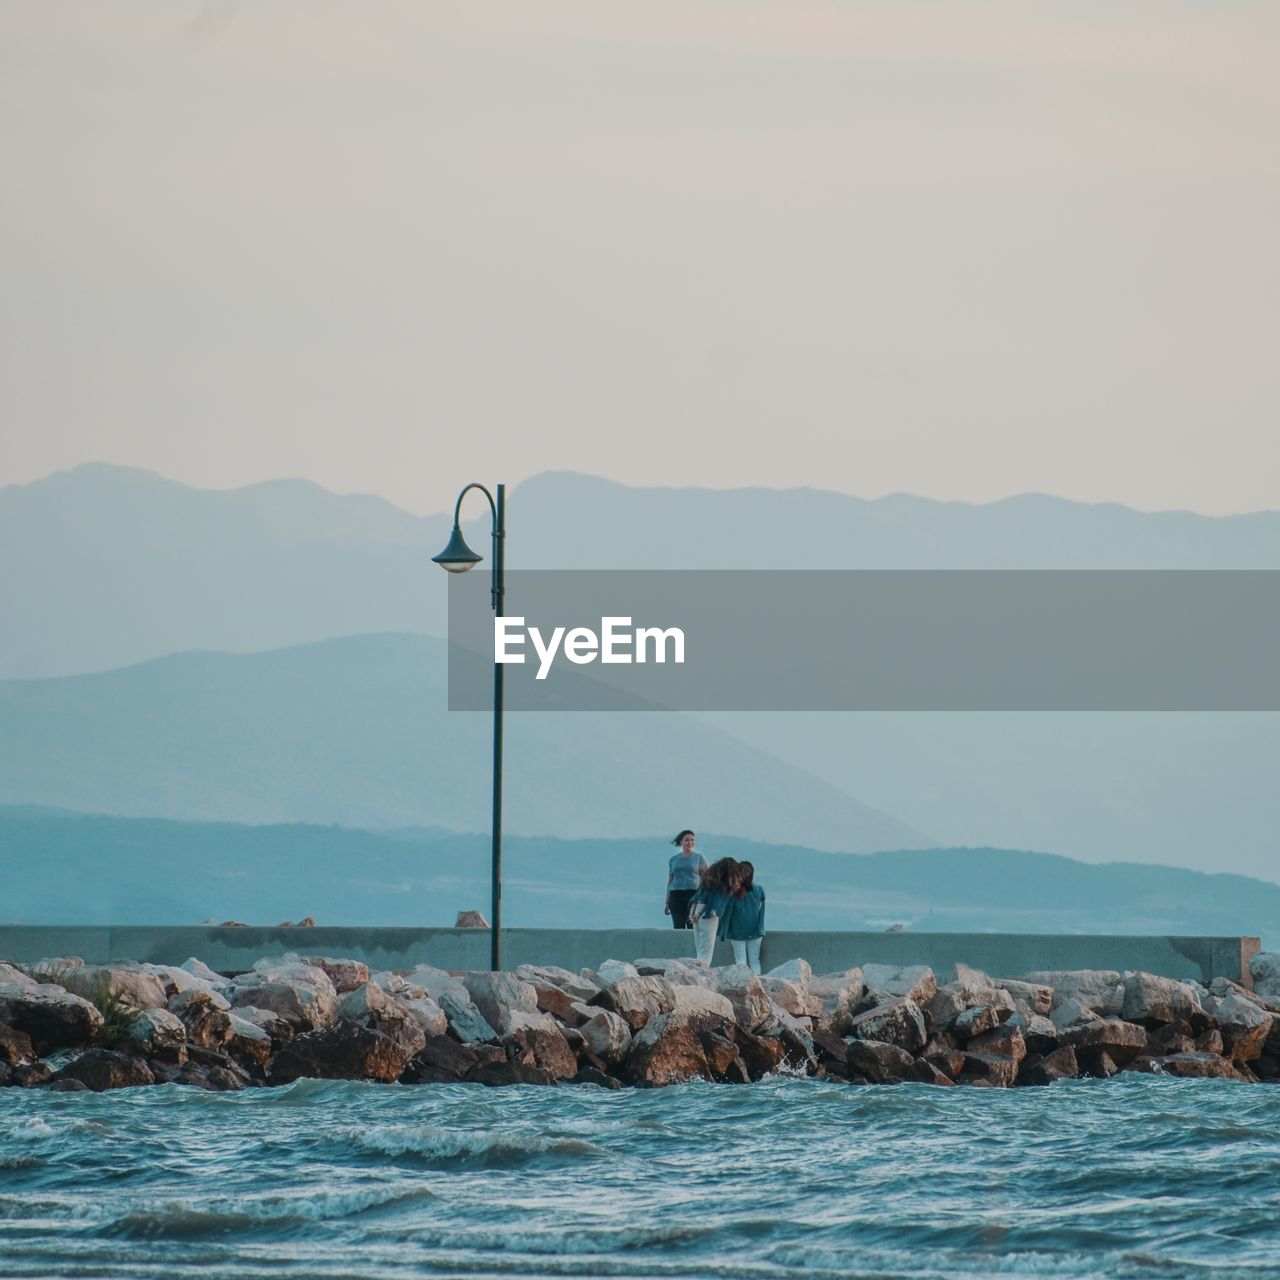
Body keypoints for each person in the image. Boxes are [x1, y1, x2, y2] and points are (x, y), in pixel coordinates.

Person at [689, 856, 738, 965]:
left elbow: (696, 897)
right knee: (706, 948)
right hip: (708, 915)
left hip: (696, 911)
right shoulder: (720, 885)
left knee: (699, 946)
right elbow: (709, 902)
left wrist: (692, 914)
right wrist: (699, 914)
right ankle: (702, 972)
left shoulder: (707, 879)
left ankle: (696, 969)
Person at [722, 859, 766, 974]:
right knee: (755, 961)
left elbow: (727, 911)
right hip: (756, 930)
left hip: (736, 931)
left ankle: (742, 986)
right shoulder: (759, 890)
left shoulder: (734, 891)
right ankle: (757, 986)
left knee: (740, 961)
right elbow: (761, 909)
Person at [664, 829, 706, 929]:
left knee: (692, 925)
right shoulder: (673, 860)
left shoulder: (699, 858)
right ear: (680, 841)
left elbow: (705, 879)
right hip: (675, 896)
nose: (690, 842)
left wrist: (703, 898)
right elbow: (670, 881)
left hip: (692, 895)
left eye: (692, 840)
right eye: (687, 840)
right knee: (678, 926)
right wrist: (667, 902)